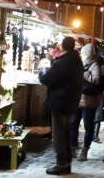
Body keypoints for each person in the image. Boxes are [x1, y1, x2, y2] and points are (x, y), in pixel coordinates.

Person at [39, 36, 84, 175]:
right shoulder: (77, 61)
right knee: (65, 132)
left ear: (63, 47)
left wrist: (42, 71)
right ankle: (66, 163)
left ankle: (61, 164)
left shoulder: (63, 62)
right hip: (70, 101)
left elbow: (48, 78)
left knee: (59, 134)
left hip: (60, 101)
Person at [71, 43, 103, 161]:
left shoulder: (95, 65)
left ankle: (85, 150)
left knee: (88, 126)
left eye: (83, 54)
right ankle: (73, 147)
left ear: (87, 55)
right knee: (74, 124)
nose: (81, 55)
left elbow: (97, 79)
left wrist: (85, 75)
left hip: (89, 101)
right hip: (79, 99)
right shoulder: (83, 64)